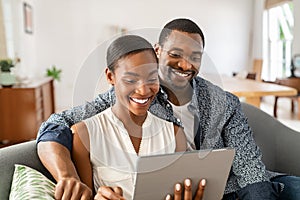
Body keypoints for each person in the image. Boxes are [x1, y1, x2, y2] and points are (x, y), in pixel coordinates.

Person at [37, 18, 300, 200]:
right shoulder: (137, 94)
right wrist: (67, 176)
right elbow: (55, 125)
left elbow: (249, 167)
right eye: (176, 54)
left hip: (237, 189)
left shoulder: (224, 102)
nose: (186, 65)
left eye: (194, 57)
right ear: (158, 51)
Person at [70, 34, 188, 199]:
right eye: (131, 80)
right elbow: (85, 195)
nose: (143, 90)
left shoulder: (175, 135)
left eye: (152, 79)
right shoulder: (84, 134)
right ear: (111, 77)